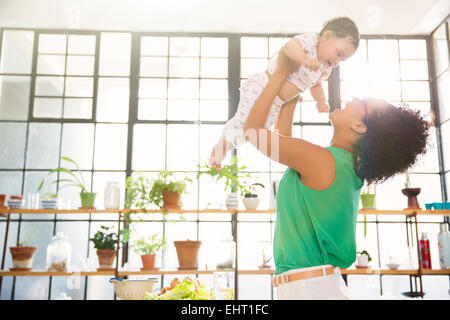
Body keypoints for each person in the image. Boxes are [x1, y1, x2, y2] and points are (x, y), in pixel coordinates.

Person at [243, 47, 430, 299]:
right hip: (314, 287)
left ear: (359, 126)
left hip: (311, 289)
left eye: (361, 103)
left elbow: (253, 132)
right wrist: (291, 90)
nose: (353, 98)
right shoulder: (342, 165)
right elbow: (283, 144)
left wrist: (280, 74)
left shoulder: (324, 162)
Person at [210, 16, 359, 169]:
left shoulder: (325, 68)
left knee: (256, 133)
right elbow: (289, 47)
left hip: (278, 102)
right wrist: (303, 59)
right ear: (326, 37)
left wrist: (320, 101)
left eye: (342, 60)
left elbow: (316, 85)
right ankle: (222, 145)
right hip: (262, 86)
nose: (337, 61)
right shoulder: (310, 42)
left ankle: (230, 145)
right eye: (339, 53)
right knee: (242, 122)